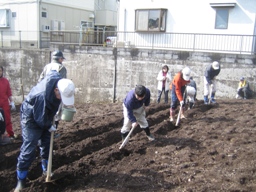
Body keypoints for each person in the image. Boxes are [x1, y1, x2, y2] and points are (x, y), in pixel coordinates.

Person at [14, 70, 75, 191]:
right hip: (31, 117)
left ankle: (46, 170)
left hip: (46, 115)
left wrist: (59, 115)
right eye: (61, 96)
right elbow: (39, 118)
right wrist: (48, 126)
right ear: (56, 90)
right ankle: (21, 181)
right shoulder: (41, 96)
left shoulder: (62, 83)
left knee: (47, 143)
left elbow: (58, 102)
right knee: (29, 146)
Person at [38, 50, 67, 133]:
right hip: (55, 94)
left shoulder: (47, 66)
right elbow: (62, 83)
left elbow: (40, 80)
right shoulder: (61, 68)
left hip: (44, 94)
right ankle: (52, 133)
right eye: (62, 59)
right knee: (56, 113)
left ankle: (44, 132)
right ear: (60, 59)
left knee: (45, 112)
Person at [0, 66, 17, 139]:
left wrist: (12, 102)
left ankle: (10, 133)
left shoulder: (5, 81)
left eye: (0, 71)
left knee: (7, 118)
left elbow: (9, 92)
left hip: (4, 103)